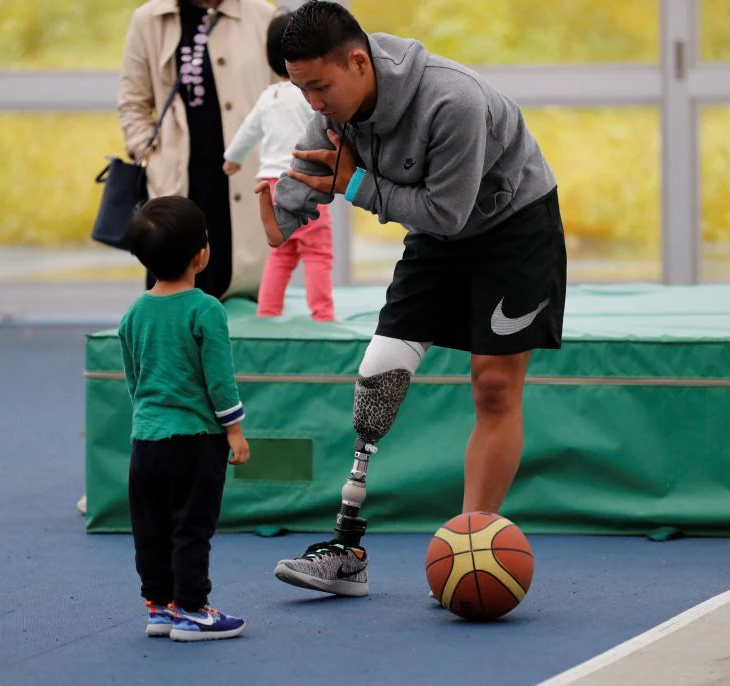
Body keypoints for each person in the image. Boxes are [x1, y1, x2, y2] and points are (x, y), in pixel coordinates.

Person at [256, 1, 566, 597]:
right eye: (302, 91)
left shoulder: (454, 101)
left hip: (513, 227)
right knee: (377, 379)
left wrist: (353, 184)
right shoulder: (330, 101)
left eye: (319, 87)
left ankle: (473, 542)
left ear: (357, 61)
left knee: (494, 385)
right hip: (437, 229)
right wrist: (272, 222)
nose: (314, 104)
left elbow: (446, 214)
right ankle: (346, 551)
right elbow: (304, 177)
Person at [118, 195, 251, 640]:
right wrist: (233, 430)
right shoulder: (206, 309)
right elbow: (219, 379)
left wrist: (148, 417)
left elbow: (133, 377)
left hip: (147, 441)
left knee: (150, 529)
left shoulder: (135, 312)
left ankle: (159, 608)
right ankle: (193, 610)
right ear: (202, 254)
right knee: (191, 528)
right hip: (195, 442)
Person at [118, 0, 276, 300]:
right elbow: (133, 101)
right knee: (173, 303)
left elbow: (286, 92)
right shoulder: (149, 19)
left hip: (242, 183)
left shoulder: (262, 16)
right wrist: (148, 156)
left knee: (240, 299)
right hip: (176, 187)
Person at [223, 10, 335, 322]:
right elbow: (331, 130)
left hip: (269, 186)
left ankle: (267, 310)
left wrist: (232, 159)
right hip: (303, 181)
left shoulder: (269, 96)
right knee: (317, 251)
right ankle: (322, 313)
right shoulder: (310, 96)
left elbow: (248, 130)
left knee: (281, 251)